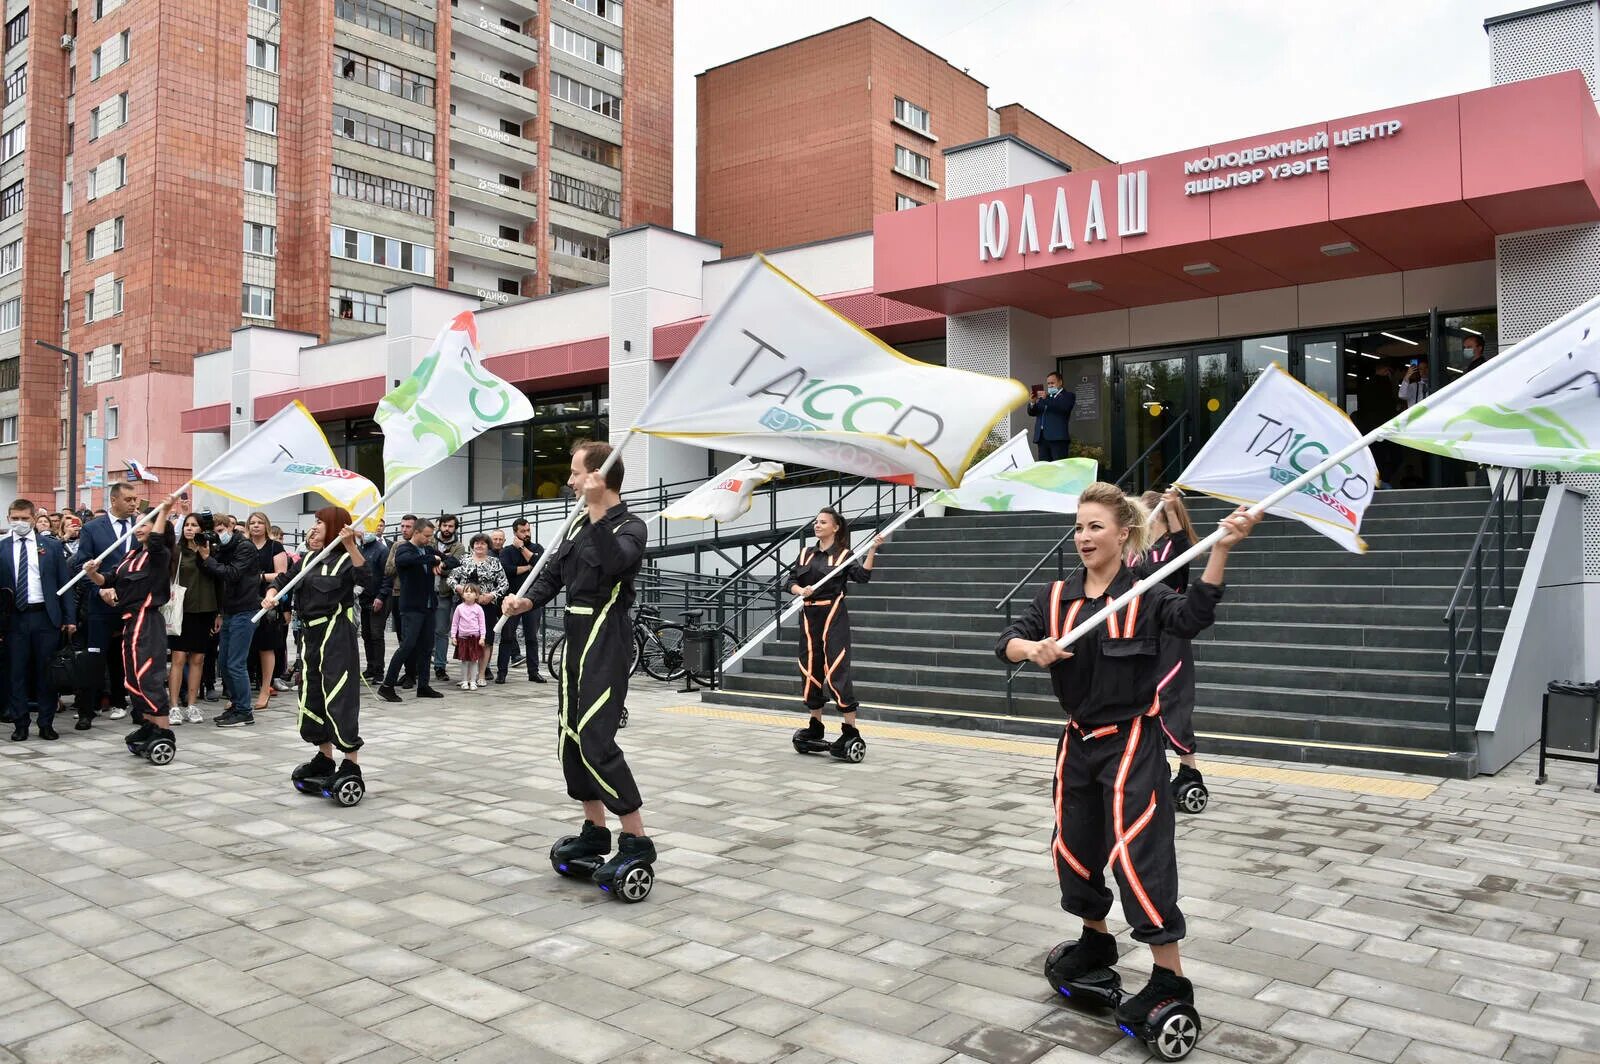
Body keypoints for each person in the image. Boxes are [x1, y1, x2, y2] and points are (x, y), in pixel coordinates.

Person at [998, 482, 1259, 1031]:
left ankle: (1169, 976)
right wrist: (1033, 649)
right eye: (1079, 526)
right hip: (1077, 742)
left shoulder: (1144, 592)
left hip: (1133, 740)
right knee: (1073, 846)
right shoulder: (1056, 598)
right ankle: (1095, 944)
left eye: (1096, 526)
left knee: (1139, 856)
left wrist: (1220, 549)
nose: (1084, 536)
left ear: (1123, 533)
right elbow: (1008, 640)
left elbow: (1191, 619)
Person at [502, 441, 654, 884]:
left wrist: (596, 509)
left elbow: (615, 563)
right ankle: (594, 829)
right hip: (575, 636)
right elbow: (551, 573)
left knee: (595, 739)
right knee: (570, 736)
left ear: (598, 478)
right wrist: (525, 600)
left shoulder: (630, 525)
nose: (568, 481)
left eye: (575, 474)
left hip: (607, 638)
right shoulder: (572, 525)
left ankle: (637, 840)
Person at [262, 507, 368, 795]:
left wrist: (350, 545)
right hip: (308, 636)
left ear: (334, 526)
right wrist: (272, 595)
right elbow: (285, 581)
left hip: (336, 636)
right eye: (315, 522)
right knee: (311, 693)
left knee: (339, 694)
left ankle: (350, 763)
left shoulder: (347, 558)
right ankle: (325, 757)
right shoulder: (308, 559)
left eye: (321, 522)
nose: (315, 526)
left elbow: (365, 579)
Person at [83, 494, 178, 753]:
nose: (138, 528)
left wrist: (165, 510)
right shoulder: (132, 555)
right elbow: (110, 579)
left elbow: (157, 541)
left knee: (149, 676)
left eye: (144, 523)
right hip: (130, 622)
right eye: (137, 524)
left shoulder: (159, 555)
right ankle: (148, 725)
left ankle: (163, 732)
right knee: (133, 680)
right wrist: (93, 574)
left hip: (148, 622)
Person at [789, 507, 884, 758]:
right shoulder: (805, 553)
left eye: (822, 522)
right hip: (809, 616)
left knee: (836, 670)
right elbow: (789, 581)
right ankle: (815, 726)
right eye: (816, 521)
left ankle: (850, 729)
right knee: (810, 669)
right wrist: (800, 590)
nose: (817, 525)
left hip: (833, 616)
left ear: (835, 527)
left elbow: (862, 576)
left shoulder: (844, 555)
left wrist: (872, 549)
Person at [1135, 489, 1205, 805]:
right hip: (1141, 634)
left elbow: (1184, 548)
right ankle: (1154, 766)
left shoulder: (1174, 549)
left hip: (1170, 633)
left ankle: (1189, 770)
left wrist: (1173, 508)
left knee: (1172, 699)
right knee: (1143, 698)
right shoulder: (1137, 552)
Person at [3, 499, 77, 741]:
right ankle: (20, 723)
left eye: (25, 518)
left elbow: (63, 585)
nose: (20, 523)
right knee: (17, 673)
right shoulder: (2, 548)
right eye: (15, 518)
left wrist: (69, 617)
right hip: (15, 618)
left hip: (45, 617)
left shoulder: (51, 547)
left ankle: (46, 722)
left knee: (46, 672)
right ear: (8, 519)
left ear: (34, 519)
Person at [73, 482, 140, 717]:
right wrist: (99, 590)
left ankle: (127, 705)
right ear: (114, 500)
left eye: (135, 499)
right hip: (101, 605)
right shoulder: (93, 528)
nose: (134, 504)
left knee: (128, 657)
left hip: (131, 604)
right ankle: (86, 710)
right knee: (95, 656)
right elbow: (83, 565)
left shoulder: (141, 526)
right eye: (129, 499)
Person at [378, 519, 451, 702]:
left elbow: (452, 559)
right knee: (407, 646)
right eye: (426, 536)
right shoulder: (404, 548)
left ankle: (424, 686)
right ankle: (387, 685)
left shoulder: (427, 550)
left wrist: (442, 564)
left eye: (430, 536)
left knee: (426, 647)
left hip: (428, 606)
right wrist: (432, 559)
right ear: (416, 533)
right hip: (411, 607)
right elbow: (404, 561)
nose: (429, 539)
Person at [202, 514, 263, 727]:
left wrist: (207, 557)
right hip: (229, 611)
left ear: (231, 526)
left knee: (236, 663)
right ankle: (236, 705)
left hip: (245, 610)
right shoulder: (223, 547)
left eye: (221, 530)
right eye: (215, 532)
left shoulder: (244, 547)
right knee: (224, 663)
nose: (219, 535)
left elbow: (232, 573)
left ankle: (245, 711)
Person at [168, 512, 221, 726]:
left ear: (202, 529)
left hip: (206, 609)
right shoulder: (177, 551)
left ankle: (192, 704)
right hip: (181, 610)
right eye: (187, 525)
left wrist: (219, 613)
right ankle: (173, 705)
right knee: (178, 658)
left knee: (198, 658)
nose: (190, 528)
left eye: (194, 525)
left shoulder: (210, 550)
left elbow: (219, 581)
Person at [242, 512, 288, 709]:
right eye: (252, 523)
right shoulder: (244, 545)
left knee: (266, 646)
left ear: (266, 525)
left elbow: (282, 575)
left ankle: (265, 689)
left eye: (260, 522)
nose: (256, 526)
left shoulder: (274, 546)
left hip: (268, 600)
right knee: (244, 648)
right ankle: (240, 694)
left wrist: (260, 577)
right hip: (244, 599)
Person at [448, 533, 508, 667]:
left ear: (488, 546)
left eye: (483, 543)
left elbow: (504, 584)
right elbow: (451, 578)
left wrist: (492, 595)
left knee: (486, 639)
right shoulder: (464, 560)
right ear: (472, 545)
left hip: (486, 605)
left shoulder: (494, 562)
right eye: (477, 543)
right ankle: (467, 674)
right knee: (466, 638)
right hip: (465, 605)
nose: (479, 546)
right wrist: (460, 588)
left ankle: (483, 670)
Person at [497, 519, 545, 684]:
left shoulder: (537, 548)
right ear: (515, 532)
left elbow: (540, 563)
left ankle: (534, 672)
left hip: (532, 600)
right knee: (507, 637)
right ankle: (501, 673)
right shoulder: (507, 551)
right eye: (523, 531)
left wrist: (522, 548)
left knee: (532, 637)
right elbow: (506, 570)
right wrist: (528, 567)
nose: (527, 534)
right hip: (512, 599)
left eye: (528, 530)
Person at [377, 513, 417, 685]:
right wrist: (402, 561)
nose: (404, 530)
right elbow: (389, 569)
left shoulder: (424, 544)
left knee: (412, 636)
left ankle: (413, 673)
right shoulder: (397, 545)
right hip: (397, 594)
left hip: (415, 595)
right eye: (402, 526)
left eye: (408, 526)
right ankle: (408, 672)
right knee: (401, 635)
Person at [431, 514, 465, 683]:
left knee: (441, 631)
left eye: (450, 526)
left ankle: (440, 666)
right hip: (425, 592)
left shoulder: (459, 546)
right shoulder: (430, 541)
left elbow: (456, 567)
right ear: (439, 525)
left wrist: (440, 566)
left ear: (455, 528)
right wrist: (439, 561)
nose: (447, 529)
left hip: (444, 594)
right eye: (444, 525)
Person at [356, 527, 389, 683]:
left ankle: (379, 672)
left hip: (377, 598)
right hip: (362, 598)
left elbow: (387, 575)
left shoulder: (381, 550)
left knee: (376, 635)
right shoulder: (359, 548)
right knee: (366, 634)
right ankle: (370, 667)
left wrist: (381, 596)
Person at [1028, 371, 1076, 462]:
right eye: (1048, 383)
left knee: (1059, 468)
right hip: (1042, 438)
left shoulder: (1068, 396)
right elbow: (1032, 412)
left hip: (1057, 439)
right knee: (1045, 469)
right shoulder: (1046, 397)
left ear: (1060, 382)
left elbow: (1063, 407)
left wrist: (1046, 398)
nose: (1050, 385)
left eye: (1052, 383)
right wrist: (1033, 402)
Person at [451, 582, 488, 689]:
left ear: (477, 595)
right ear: (462, 594)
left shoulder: (478, 609)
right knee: (464, 661)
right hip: (462, 638)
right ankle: (464, 681)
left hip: (474, 638)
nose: (468, 594)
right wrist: (453, 636)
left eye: (471, 592)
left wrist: (482, 637)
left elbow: (482, 624)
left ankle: (472, 681)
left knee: (473, 661)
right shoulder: (459, 608)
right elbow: (454, 623)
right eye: (466, 592)